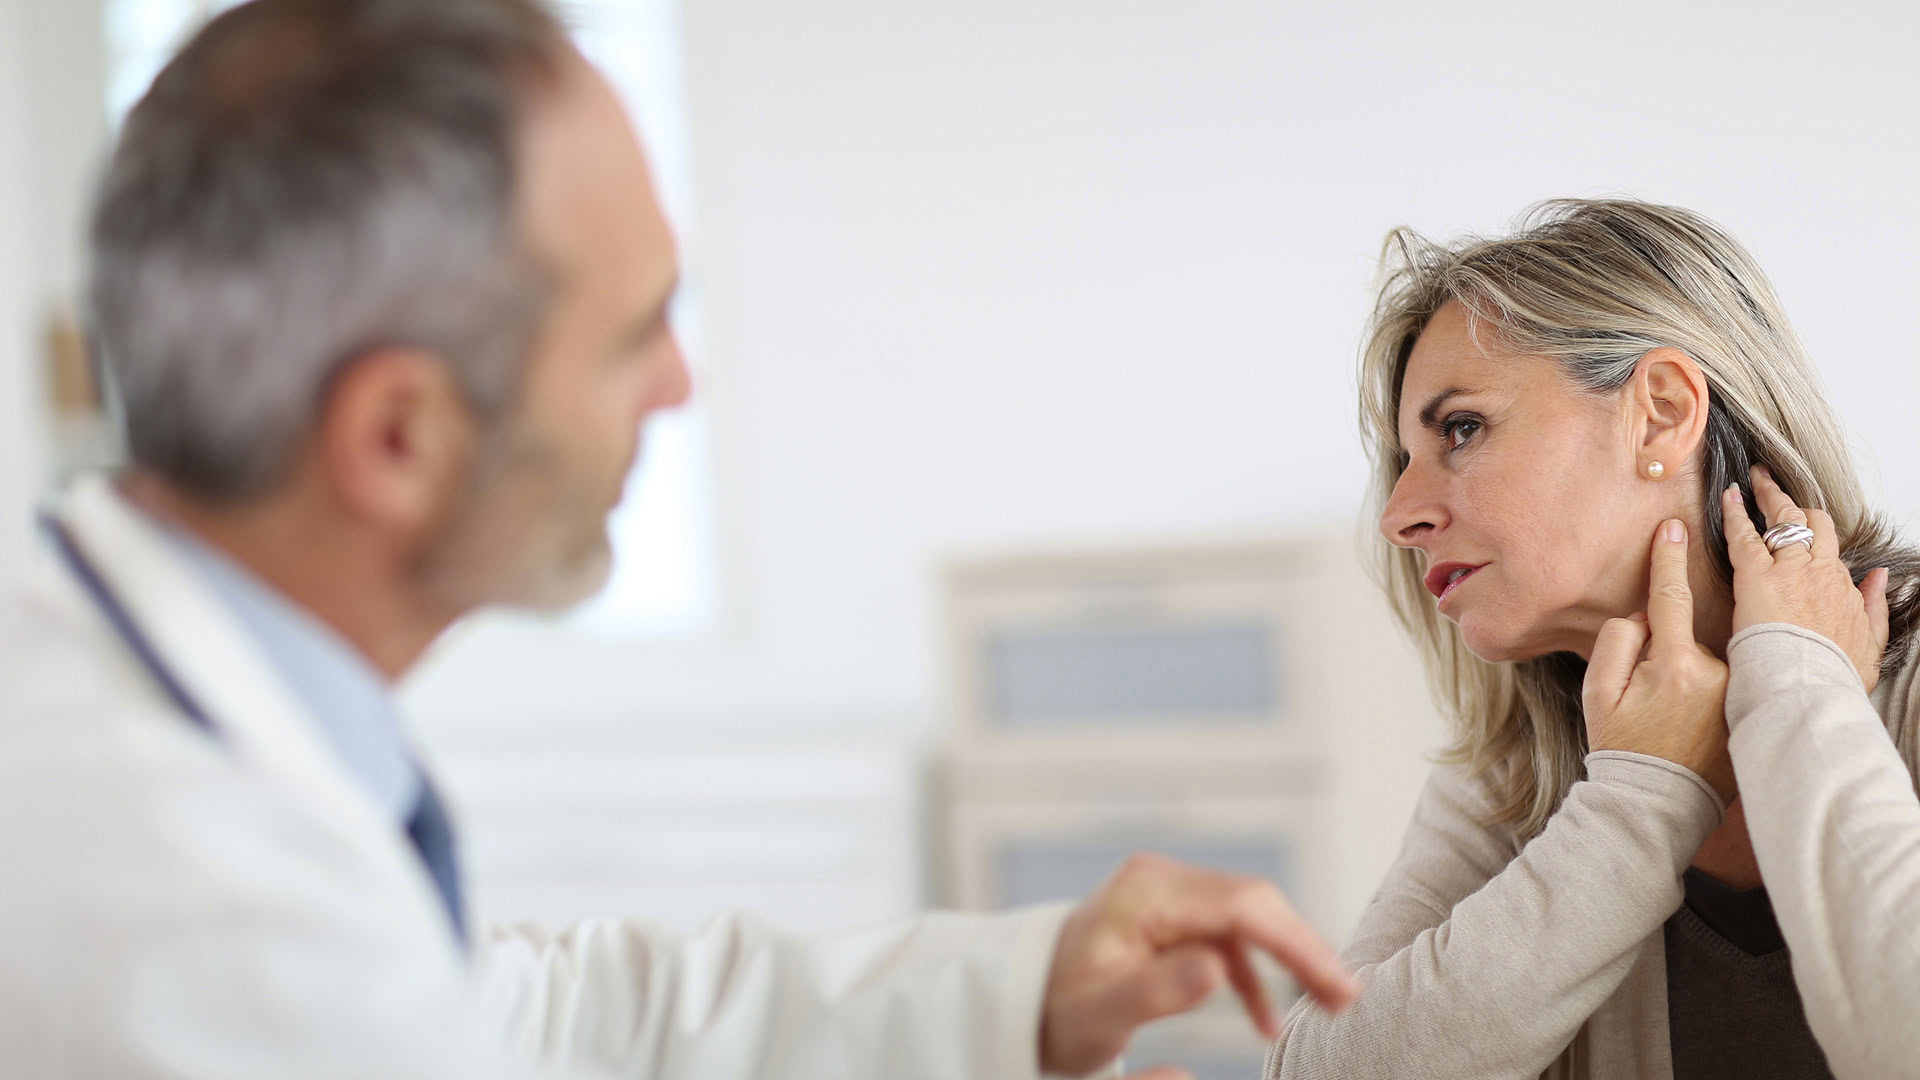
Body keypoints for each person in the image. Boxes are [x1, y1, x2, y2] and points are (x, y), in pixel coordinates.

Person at [0, 1, 1359, 1077]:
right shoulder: (196, 931)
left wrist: (1022, 992)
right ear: (400, 438)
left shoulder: (162, 728)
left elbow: (518, 1020)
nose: (677, 386)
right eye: (632, 334)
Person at [1266, 199, 1920, 1080]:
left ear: (1661, 414)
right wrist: (1639, 803)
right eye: (1403, 463)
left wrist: (1796, 681)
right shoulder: (1518, 763)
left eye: (1462, 429)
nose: (1399, 515)